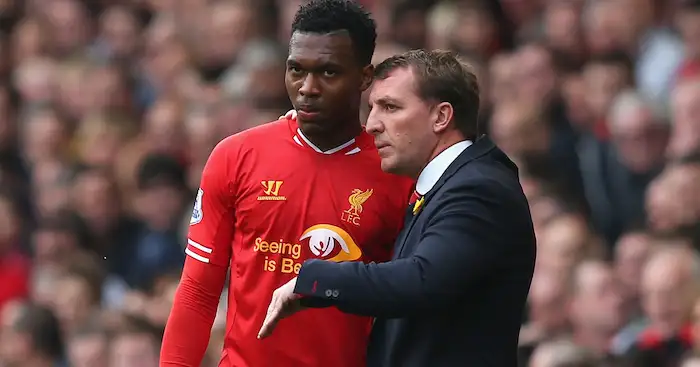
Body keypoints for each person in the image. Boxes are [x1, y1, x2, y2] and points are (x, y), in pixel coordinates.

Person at [159, 1, 414, 366]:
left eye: (328, 72)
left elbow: (410, 297)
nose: (307, 88)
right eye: (296, 70)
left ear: (364, 77)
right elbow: (198, 291)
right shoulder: (235, 156)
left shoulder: (397, 173)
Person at [259, 50, 537, 367]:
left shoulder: (478, 190)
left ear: (441, 117)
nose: (372, 124)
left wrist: (313, 279)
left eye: (390, 107)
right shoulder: (444, 186)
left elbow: (420, 279)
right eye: (372, 108)